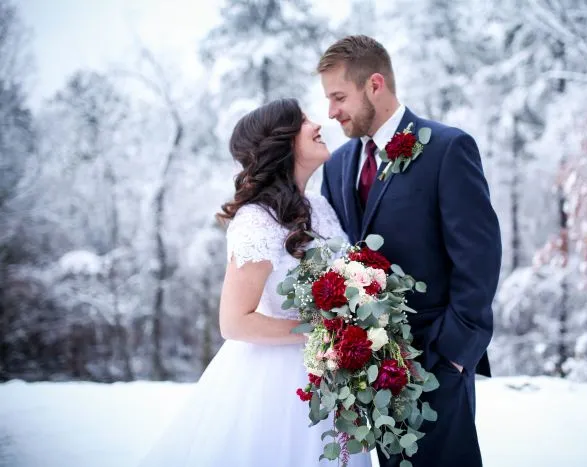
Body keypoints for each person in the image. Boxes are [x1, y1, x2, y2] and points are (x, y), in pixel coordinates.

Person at [136, 98, 371, 467]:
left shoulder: (321, 206)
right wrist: (320, 331)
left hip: (334, 377)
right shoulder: (257, 220)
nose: (318, 124)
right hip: (276, 385)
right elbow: (234, 321)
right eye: (305, 120)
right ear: (282, 141)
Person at [318, 35, 502, 467]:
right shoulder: (337, 165)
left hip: (436, 363)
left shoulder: (447, 148)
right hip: (364, 371)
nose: (331, 111)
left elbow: (479, 257)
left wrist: (454, 356)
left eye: (339, 96)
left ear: (375, 85)